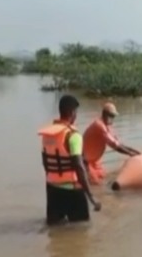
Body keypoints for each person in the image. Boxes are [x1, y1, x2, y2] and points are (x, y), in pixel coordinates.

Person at [38, 95, 101, 225]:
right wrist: (91, 196)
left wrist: (53, 181)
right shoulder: (73, 136)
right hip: (73, 190)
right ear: (72, 112)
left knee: (54, 229)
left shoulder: (47, 135)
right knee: (81, 230)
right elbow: (79, 166)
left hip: (52, 189)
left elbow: (45, 162)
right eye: (76, 112)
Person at [82, 102, 140, 185]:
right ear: (105, 114)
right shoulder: (99, 126)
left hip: (94, 161)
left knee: (103, 177)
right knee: (96, 184)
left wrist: (135, 152)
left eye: (114, 116)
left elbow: (119, 144)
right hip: (85, 161)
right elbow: (115, 146)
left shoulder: (106, 127)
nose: (113, 118)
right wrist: (131, 153)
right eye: (111, 116)